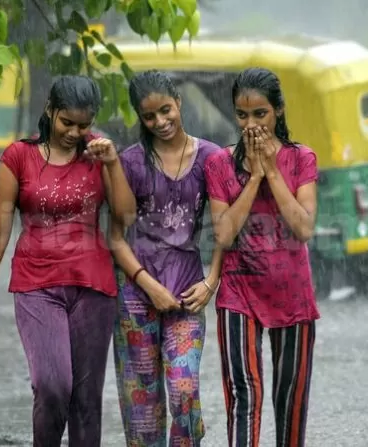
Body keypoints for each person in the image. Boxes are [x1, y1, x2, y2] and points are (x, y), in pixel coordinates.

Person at [0, 75, 136, 447]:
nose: (74, 132)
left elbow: (125, 216)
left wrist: (113, 164)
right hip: (36, 286)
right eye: (66, 122)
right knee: (53, 386)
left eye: (83, 124)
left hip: (94, 288)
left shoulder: (99, 154)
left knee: (87, 403)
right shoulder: (18, 157)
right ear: (49, 110)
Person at [204, 67, 320, 447]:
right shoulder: (220, 163)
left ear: (279, 111)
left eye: (260, 114)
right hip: (239, 290)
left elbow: (303, 228)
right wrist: (252, 177)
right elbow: (223, 233)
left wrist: (271, 170)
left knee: (291, 400)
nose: (251, 124)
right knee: (244, 396)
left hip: (293, 291)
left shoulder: (302, 158)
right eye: (242, 115)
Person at [108, 69, 223, 446]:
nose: (160, 122)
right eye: (149, 116)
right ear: (140, 118)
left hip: (189, 291)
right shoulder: (131, 163)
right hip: (136, 294)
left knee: (184, 389)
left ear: (179, 102)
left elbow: (226, 228)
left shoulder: (211, 158)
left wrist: (212, 282)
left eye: (166, 110)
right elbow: (116, 238)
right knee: (142, 404)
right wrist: (149, 286)